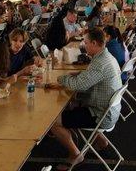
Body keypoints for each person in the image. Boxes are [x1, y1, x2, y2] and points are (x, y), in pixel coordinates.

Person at [49, 28, 122, 170]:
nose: (84, 45)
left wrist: (60, 78)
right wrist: (80, 73)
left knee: (53, 122)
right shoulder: (105, 57)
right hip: (110, 111)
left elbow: (79, 85)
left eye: (86, 42)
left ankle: (76, 155)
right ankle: (102, 143)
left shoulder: (99, 64)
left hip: (101, 115)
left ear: (94, 43)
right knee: (73, 105)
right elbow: (91, 77)